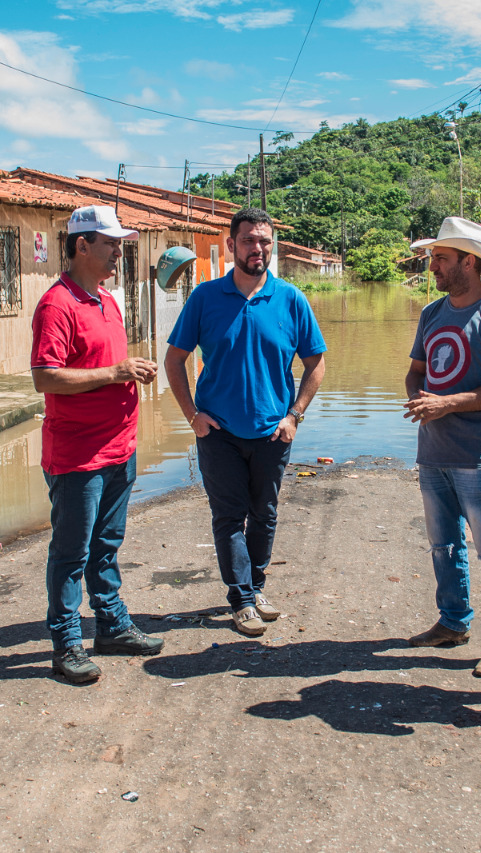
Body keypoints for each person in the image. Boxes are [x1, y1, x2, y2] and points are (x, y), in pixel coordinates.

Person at [165, 208, 327, 637]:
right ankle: (241, 598)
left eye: (265, 241)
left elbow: (317, 364)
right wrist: (192, 415)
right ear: (231, 246)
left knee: (265, 513)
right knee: (228, 515)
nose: (259, 248)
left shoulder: (291, 299)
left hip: (274, 430)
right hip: (217, 432)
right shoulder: (205, 298)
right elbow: (174, 360)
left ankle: (255, 588)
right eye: (250, 240)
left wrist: (295, 415)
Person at [30, 205, 164, 685]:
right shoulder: (57, 304)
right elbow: (45, 377)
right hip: (78, 456)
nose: (117, 252)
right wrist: (116, 372)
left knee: (106, 546)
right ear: (81, 245)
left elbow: (105, 361)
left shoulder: (107, 300)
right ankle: (67, 644)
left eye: (119, 244)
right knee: (72, 553)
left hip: (118, 448)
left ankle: (111, 626)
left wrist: (131, 366)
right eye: (110, 244)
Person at [403, 217, 481, 679]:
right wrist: (419, 395)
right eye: (434, 257)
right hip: (433, 451)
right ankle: (453, 622)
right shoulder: (432, 314)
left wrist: (448, 403)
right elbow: (417, 369)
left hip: (480, 455)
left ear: (469, 263)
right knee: (443, 546)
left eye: (441, 258)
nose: (432, 265)